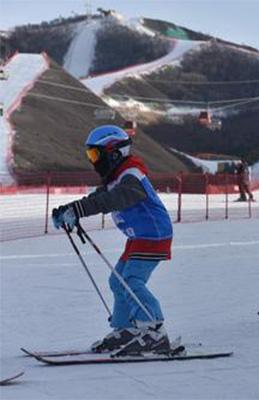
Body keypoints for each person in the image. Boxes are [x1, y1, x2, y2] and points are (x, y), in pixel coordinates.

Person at [51, 125, 173, 355]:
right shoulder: (116, 177)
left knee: (131, 281)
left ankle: (154, 331)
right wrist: (68, 210)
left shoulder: (132, 176)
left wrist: (78, 210)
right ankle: (126, 329)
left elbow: (113, 200)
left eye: (95, 154)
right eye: (90, 155)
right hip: (139, 238)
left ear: (114, 152)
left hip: (154, 235)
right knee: (118, 282)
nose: (93, 160)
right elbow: (99, 198)